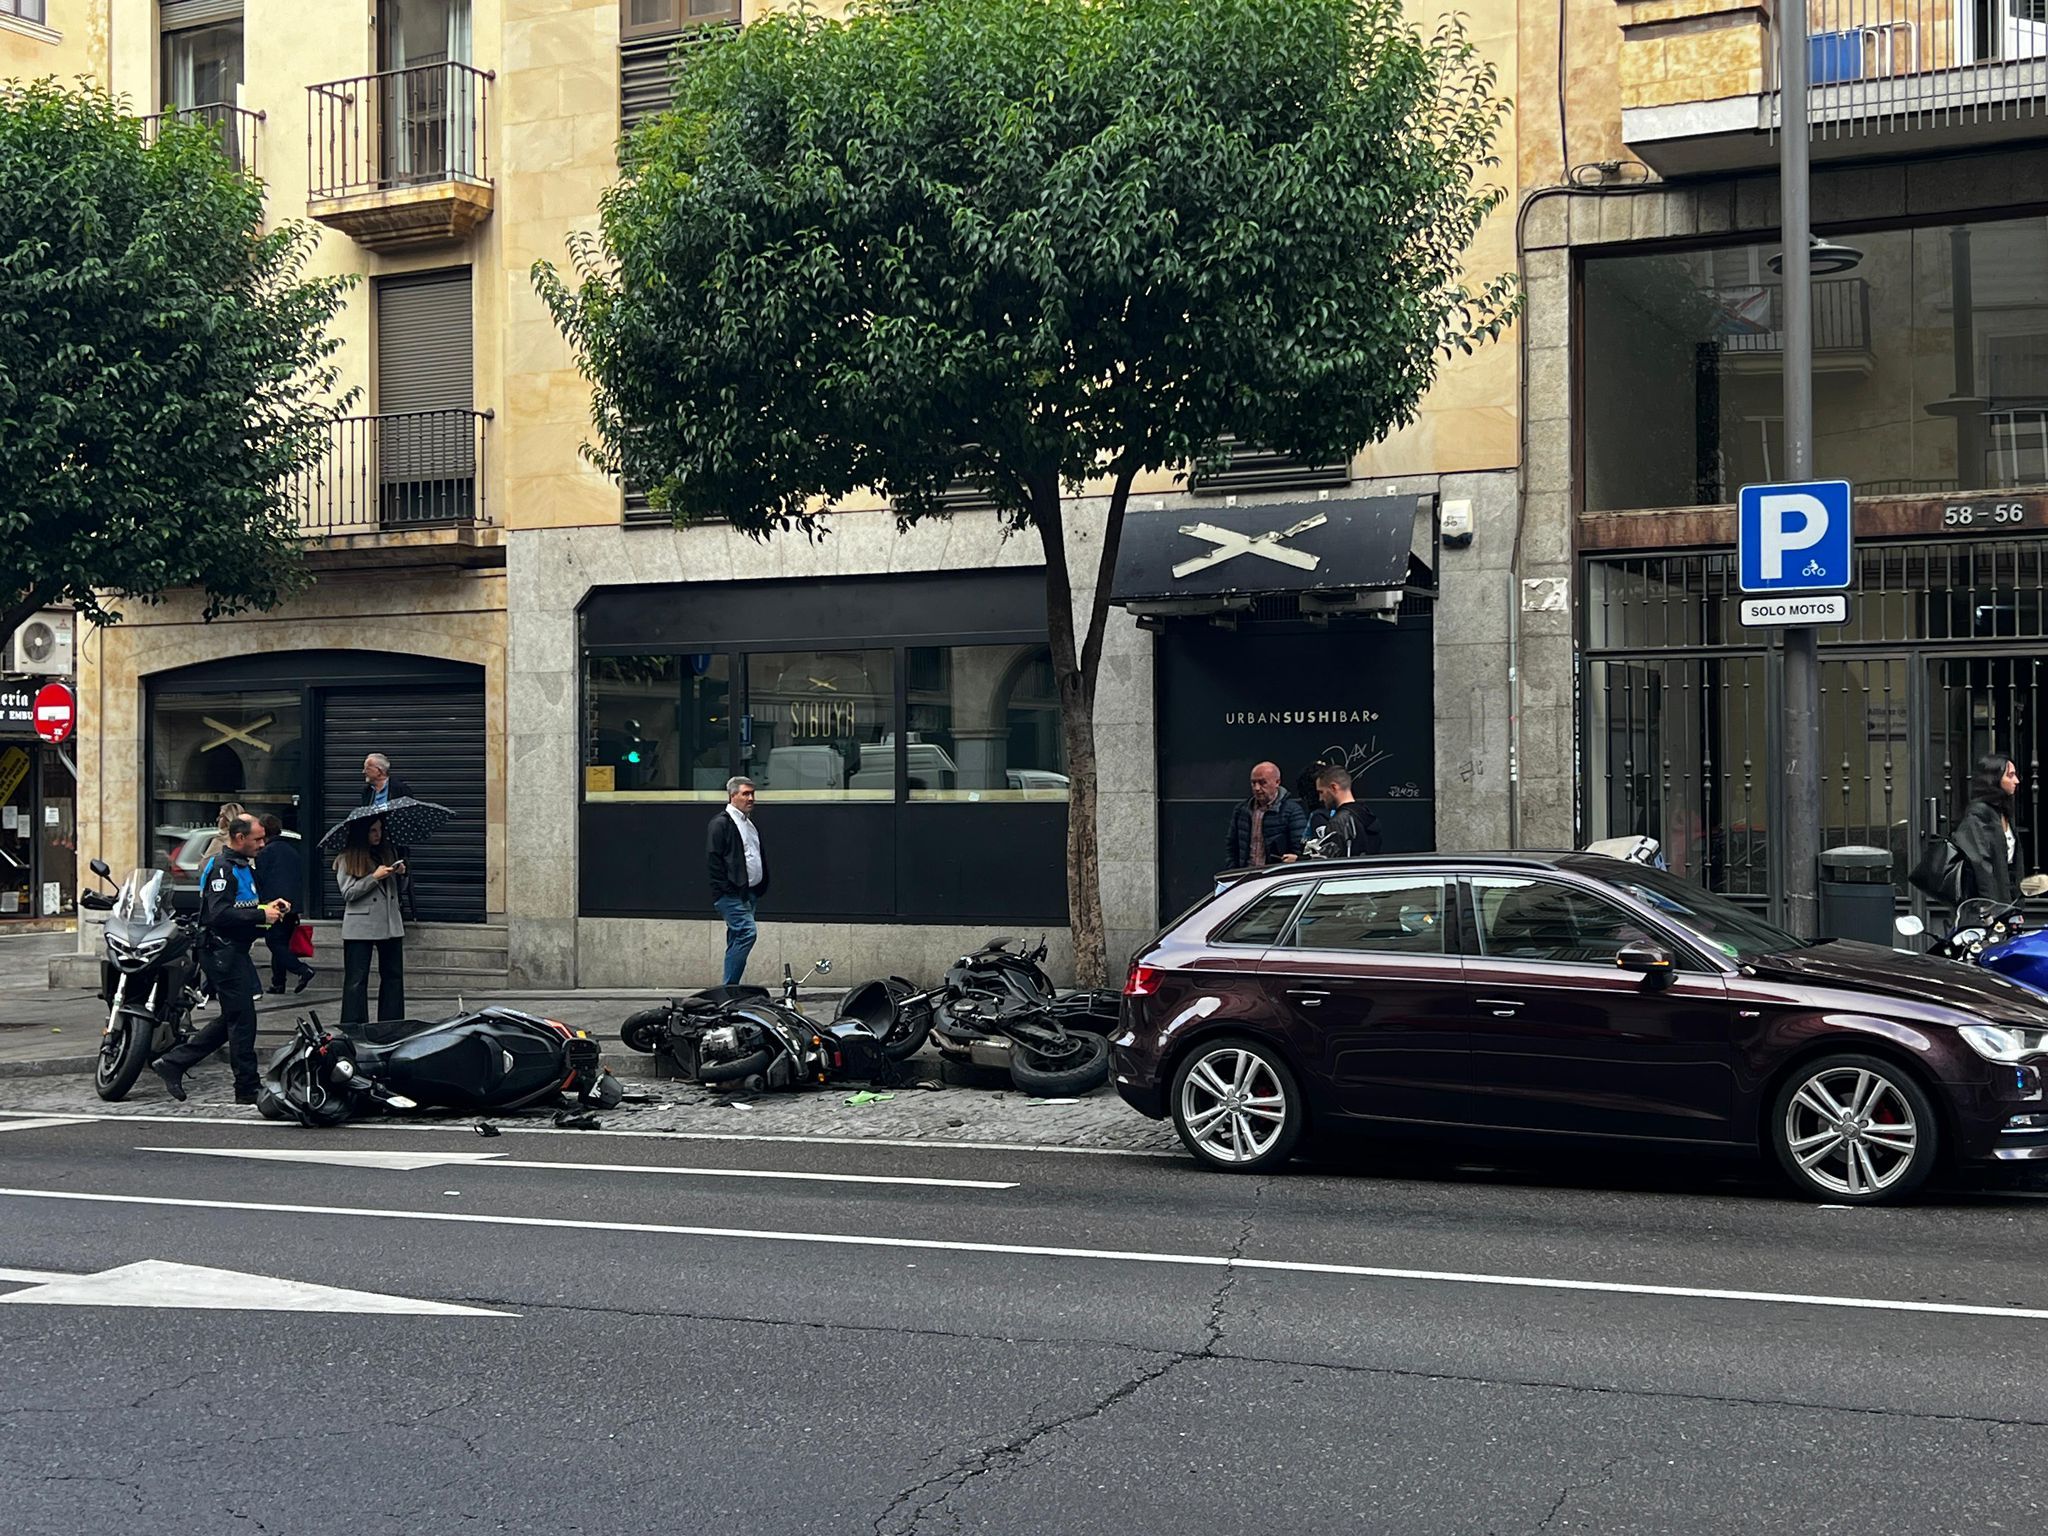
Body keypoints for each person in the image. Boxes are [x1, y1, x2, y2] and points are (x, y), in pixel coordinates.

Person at [150, 814, 286, 1105]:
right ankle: (246, 1087)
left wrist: (268, 909)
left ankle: (173, 1062)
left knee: (234, 1019)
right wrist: (262, 914)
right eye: (257, 839)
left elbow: (243, 907)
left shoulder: (242, 867)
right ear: (239, 838)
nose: (263, 844)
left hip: (234, 951)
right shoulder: (223, 869)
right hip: (222, 952)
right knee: (243, 1021)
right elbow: (219, 914)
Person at [335, 816, 407, 1025]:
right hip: (361, 924)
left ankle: (392, 1023)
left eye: (380, 830)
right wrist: (374, 877)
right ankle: (353, 1024)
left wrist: (400, 873)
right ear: (361, 834)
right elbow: (348, 893)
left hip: (390, 922)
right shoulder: (348, 858)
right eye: (373, 831)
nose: (378, 835)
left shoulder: (386, 852)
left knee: (393, 976)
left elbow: (394, 891)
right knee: (357, 979)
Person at [707, 775, 767, 987]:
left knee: (736, 937)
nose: (751, 798)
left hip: (748, 893)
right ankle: (729, 989)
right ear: (733, 795)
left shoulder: (748, 824)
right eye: (745, 794)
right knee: (746, 933)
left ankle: (729, 988)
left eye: (752, 794)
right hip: (731, 894)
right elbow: (714, 860)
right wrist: (727, 889)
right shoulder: (721, 823)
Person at [256, 813, 316, 995]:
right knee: (280, 943)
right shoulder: (292, 850)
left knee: (274, 943)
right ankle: (278, 982)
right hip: (292, 905)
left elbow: (261, 879)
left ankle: (302, 969)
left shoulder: (266, 852)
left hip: (274, 905)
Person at [1956, 753, 2024, 904]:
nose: (2016, 781)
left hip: (2008, 900)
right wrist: (1991, 907)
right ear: (1994, 778)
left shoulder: (2004, 813)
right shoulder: (1978, 815)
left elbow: (2012, 864)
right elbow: (1981, 865)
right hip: (1986, 906)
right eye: (2010, 775)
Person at [1225, 761, 1309, 870]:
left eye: (1262, 782)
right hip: (1245, 874)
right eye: (1253, 783)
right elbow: (1232, 845)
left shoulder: (1291, 811)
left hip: (1275, 876)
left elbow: (1299, 847)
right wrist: (1233, 869)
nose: (1257, 788)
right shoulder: (1242, 810)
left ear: (1277, 782)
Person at [1307, 765, 1382, 859]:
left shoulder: (1339, 822)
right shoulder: (1367, 815)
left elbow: (1331, 866)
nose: (1320, 798)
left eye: (1321, 792)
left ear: (1333, 787)